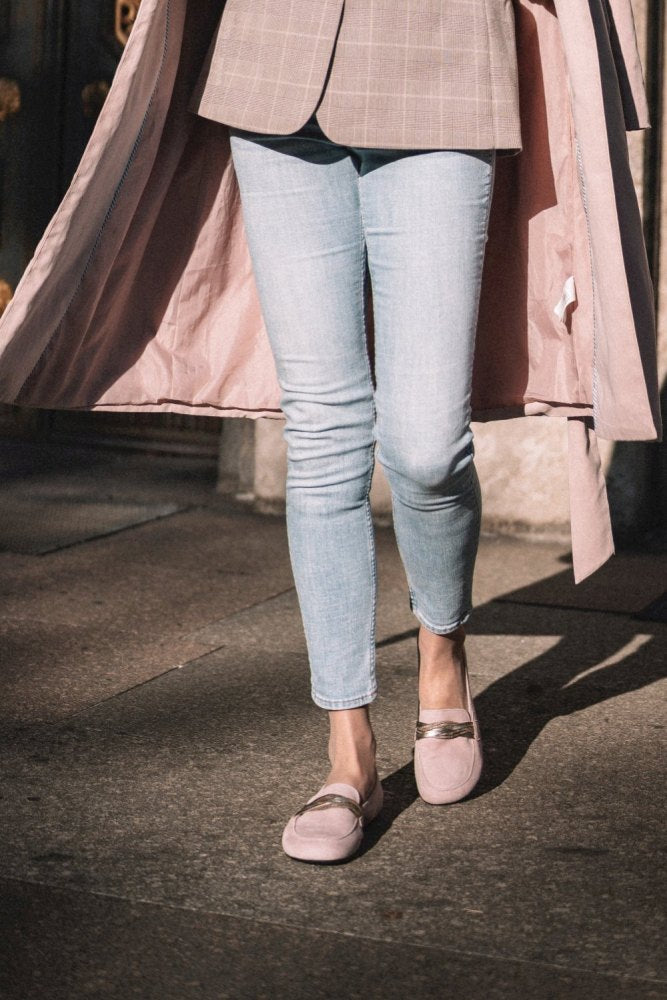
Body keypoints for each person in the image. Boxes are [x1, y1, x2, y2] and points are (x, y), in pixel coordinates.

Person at [190, 0, 523, 863]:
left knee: (424, 442)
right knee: (324, 430)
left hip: (442, 62)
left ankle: (441, 651)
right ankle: (350, 754)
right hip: (278, 69)